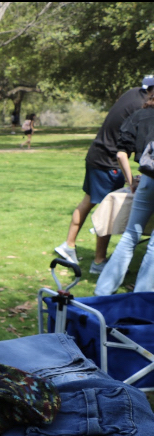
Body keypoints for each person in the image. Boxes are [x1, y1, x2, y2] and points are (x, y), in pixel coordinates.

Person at [54, 77, 154, 274]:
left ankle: (68, 245)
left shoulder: (131, 94)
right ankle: (98, 262)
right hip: (109, 160)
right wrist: (130, 178)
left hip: (96, 154)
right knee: (109, 209)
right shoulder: (142, 107)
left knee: (88, 201)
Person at [94, 89, 154, 295]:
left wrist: (131, 183)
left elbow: (121, 154)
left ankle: (102, 292)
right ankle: (141, 298)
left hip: (147, 179)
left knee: (130, 236)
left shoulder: (138, 115)